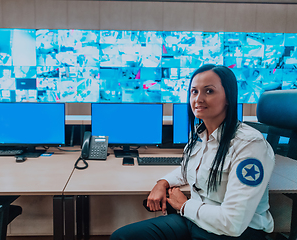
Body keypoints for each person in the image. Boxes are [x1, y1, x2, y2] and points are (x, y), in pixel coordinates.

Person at [110, 64, 275, 240]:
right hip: (196, 220)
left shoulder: (249, 144)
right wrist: (162, 183)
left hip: (233, 233)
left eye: (209, 91)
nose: (198, 99)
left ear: (228, 97)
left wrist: (184, 205)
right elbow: (188, 169)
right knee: (122, 237)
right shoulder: (200, 134)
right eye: (194, 92)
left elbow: (233, 223)